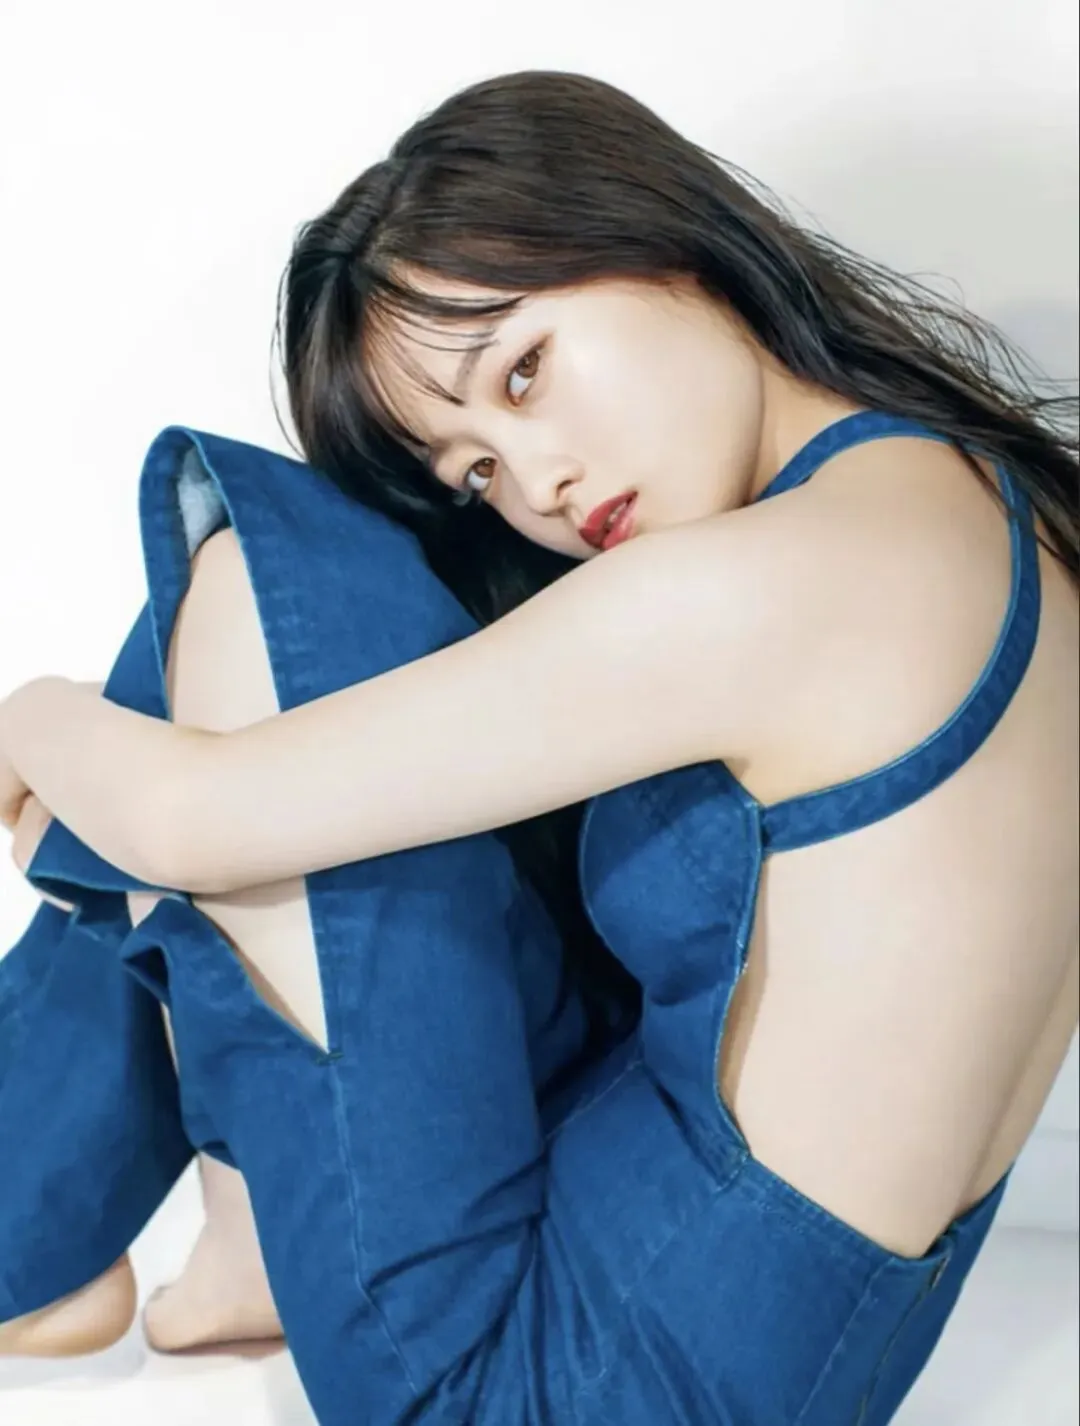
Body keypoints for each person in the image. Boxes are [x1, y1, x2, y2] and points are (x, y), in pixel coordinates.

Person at [1, 67, 1077, 1425]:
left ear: (659, 233)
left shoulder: (760, 590)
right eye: (478, 472)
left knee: (272, 551)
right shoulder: (980, 506)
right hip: (762, 1342)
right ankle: (143, 1220)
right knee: (319, 640)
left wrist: (29, 716)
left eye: (523, 371)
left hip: (536, 1387)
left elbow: (186, 819)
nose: (540, 484)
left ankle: (57, 1225)